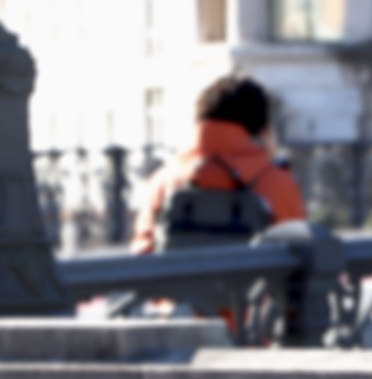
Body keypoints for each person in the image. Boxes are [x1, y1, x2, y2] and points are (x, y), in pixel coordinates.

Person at [131, 75, 306, 255]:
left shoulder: (164, 181)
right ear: (263, 131)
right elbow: (300, 252)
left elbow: (143, 252)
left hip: (180, 274)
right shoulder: (276, 182)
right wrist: (270, 157)